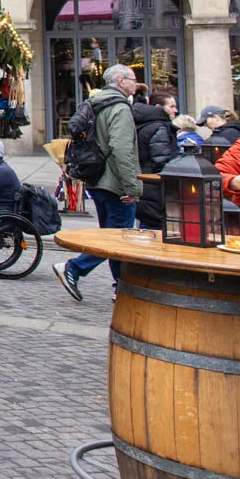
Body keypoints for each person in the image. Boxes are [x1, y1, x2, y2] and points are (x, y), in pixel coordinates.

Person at [53, 64, 142, 302]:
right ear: (121, 80)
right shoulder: (119, 107)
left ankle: (121, 286)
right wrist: (132, 186)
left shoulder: (95, 102)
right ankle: (74, 268)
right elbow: (122, 149)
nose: (136, 84)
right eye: (133, 79)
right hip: (115, 183)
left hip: (97, 178)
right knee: (118, 239)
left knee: (110, 235)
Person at [134, 94, 179, 174]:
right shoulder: (160, 127)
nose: (176, 110)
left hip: (144, 176)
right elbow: (161, 161)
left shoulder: (145, 123)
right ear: (158, 107)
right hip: (155, 179)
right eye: (172, 107)